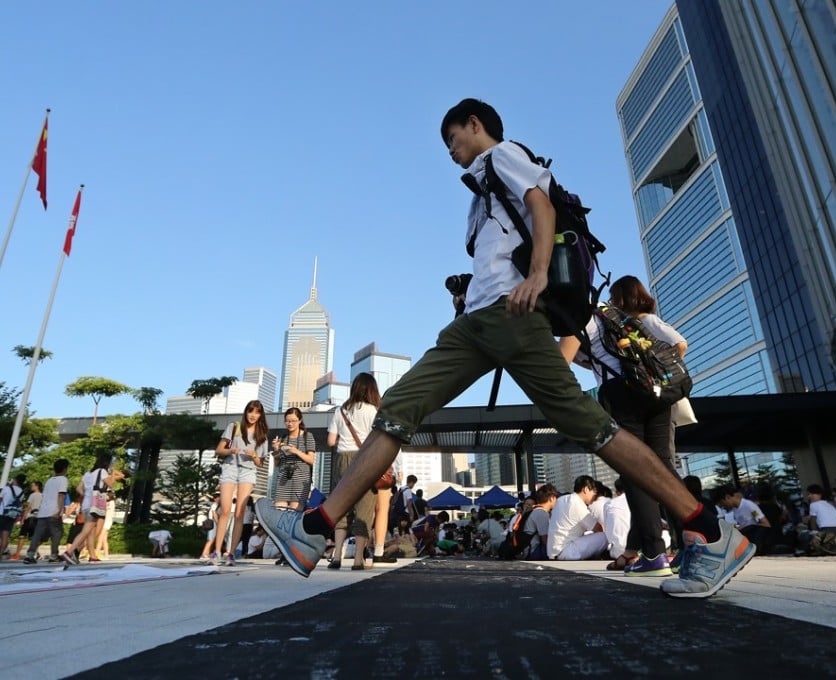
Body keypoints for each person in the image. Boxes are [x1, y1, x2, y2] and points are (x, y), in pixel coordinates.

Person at [255, 97, 754, 599]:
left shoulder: (504, 155)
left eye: (453, 138)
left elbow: (542, 205)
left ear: (475, 125)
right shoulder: (481, 194)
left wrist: (537, 274)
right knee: (399, 408)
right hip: (475, 325)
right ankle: (315, 531)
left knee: (590, 425)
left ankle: (709, 530)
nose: (450, 150)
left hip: (513, 318)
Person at [560, 275, 686, 576]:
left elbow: (560, 361)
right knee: (663, 467)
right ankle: (692, 543)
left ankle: (655, 554)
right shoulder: (624, 318)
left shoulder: (577, 315)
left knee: (635, 471)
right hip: (657, 391)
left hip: (623, 393)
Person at [326, 373, 380, 571]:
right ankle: (358, 559)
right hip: (365, 459)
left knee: (342, 507)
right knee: (364, 508)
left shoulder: (340, 411)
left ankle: (337, 555)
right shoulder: (373, 411)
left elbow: (331, 441)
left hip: (343, 460)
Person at [209, 400, 268, 566]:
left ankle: (230, 553)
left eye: (257, 412)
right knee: (225, 510)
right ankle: (217, 551)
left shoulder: (262, 434)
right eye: (251, 411)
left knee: (240, 513)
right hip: (230, 468)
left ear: (260, 415)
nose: (253, 415)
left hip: (248, 472)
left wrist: (254, 456)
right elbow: (219, 450)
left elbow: (261, 463)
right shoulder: (234, 427)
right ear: (246, 412)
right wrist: (231, 450)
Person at [62, 454, 124, 565]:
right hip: (95, 505)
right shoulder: (102, 472)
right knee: (86, 531)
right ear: (106, 463)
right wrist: (113, 473)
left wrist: (87, 495)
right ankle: (69, 552)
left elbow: (78, 488)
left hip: (86, 505)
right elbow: (111, 484)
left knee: (91, 531)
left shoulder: (88, 474)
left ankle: (92, 556)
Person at [547, 476, 608, 562]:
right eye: (593, 491)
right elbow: (599, 528)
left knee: (589, 533)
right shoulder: (577, 504)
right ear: (586, 489)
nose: (594, 495)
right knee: (605, 536)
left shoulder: (561, 499)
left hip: (554, 552)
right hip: (567, 551)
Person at [23, 459, 70, 564]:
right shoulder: (63, 479)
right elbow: (61, 495)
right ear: (64, 468)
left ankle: (29, 555)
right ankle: (54, 555)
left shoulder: (49, 480)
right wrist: (59, 510)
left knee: (37, 534)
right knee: (57, 533)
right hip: (54, 511)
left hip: (43, 512)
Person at [271, 407, 316, 510]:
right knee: (278, 512)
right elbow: (277, 463)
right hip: (283, 479)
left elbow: (311, 459)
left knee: (294, 514)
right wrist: (276, 450)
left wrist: (296, 451)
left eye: (293, 421)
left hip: (300, 481)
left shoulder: (307, 436)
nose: (290, 424)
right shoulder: (283, 438)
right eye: (287, 421)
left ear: (300, 420)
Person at [12, 480, 42, 560]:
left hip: (29, 517)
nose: (31, 487)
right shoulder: (43, 496)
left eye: (33, 485)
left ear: (37, 486)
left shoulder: (32, 495)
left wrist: (22, 518)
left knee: (22, 536)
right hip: (38, 518)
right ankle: (36, 553)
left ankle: (17, 554)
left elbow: (28, 507)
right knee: (34, 537)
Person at [0, 474, 27, 560]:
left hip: (1, 513)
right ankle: (0, 553)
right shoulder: (22, 492)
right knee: (5, 535)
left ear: (15, 480)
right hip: (12, 515)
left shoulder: (7, 488)